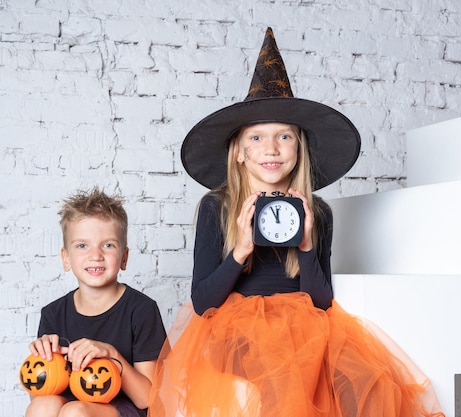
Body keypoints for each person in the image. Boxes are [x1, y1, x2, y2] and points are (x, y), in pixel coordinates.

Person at [148, 28, 444, 417]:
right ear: (238, 152)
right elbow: (203, 302)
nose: (270, 148)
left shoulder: (317, 212)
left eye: (284, 136)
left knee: (367, 379)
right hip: (235, 332)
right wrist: (240, 250)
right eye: (256, 138)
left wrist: (305, 245)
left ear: (298, 148)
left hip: (306, 325)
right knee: (281, 378)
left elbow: (321, 300)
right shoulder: (216, 207)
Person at [25, 187, 167, 417]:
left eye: (108, 245)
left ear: (124, 257)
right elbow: (40, 395)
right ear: (66, 258)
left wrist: (112, 355)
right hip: (70, 404)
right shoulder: (53, 314)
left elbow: (147, 398)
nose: (95, 255)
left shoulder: (141, 310)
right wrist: (45, 358)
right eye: (82, 245)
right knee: (43, 406)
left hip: (123, 409)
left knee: (75, 412)